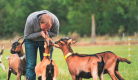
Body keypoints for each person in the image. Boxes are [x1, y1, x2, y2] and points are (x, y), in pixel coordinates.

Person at [24, 10, 59, 80]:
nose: (46, 30)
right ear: (39, 23)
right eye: (44, 28)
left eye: (48, 28)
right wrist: (39, 34)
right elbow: (27, 35)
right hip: (31, 41)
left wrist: (47, 35)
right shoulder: (31, 20)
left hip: (46, 42)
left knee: (47, 66)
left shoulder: (55, 21)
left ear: (51, 24)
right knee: (31, 65)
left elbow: (55, 33)